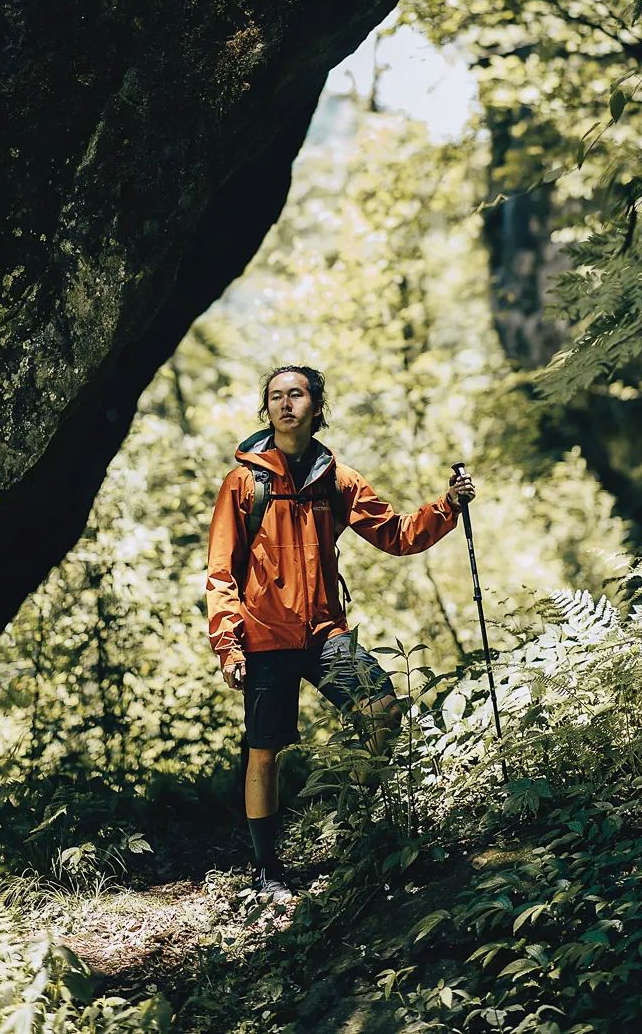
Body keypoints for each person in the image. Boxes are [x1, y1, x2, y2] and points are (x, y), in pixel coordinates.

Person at [206, 364, 474, 901]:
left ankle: (351, 827)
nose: (286, 404)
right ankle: (267, 869)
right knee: (264, 752)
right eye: (276, 396)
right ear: (267, 410)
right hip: (264, 635)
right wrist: (227, 642)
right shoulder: (243, 482)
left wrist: (447, 506)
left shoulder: (335, 479)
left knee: (383, 711)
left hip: (325, 631)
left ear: (315, 406)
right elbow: (221, 569)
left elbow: (396, 534)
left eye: (296, 395)